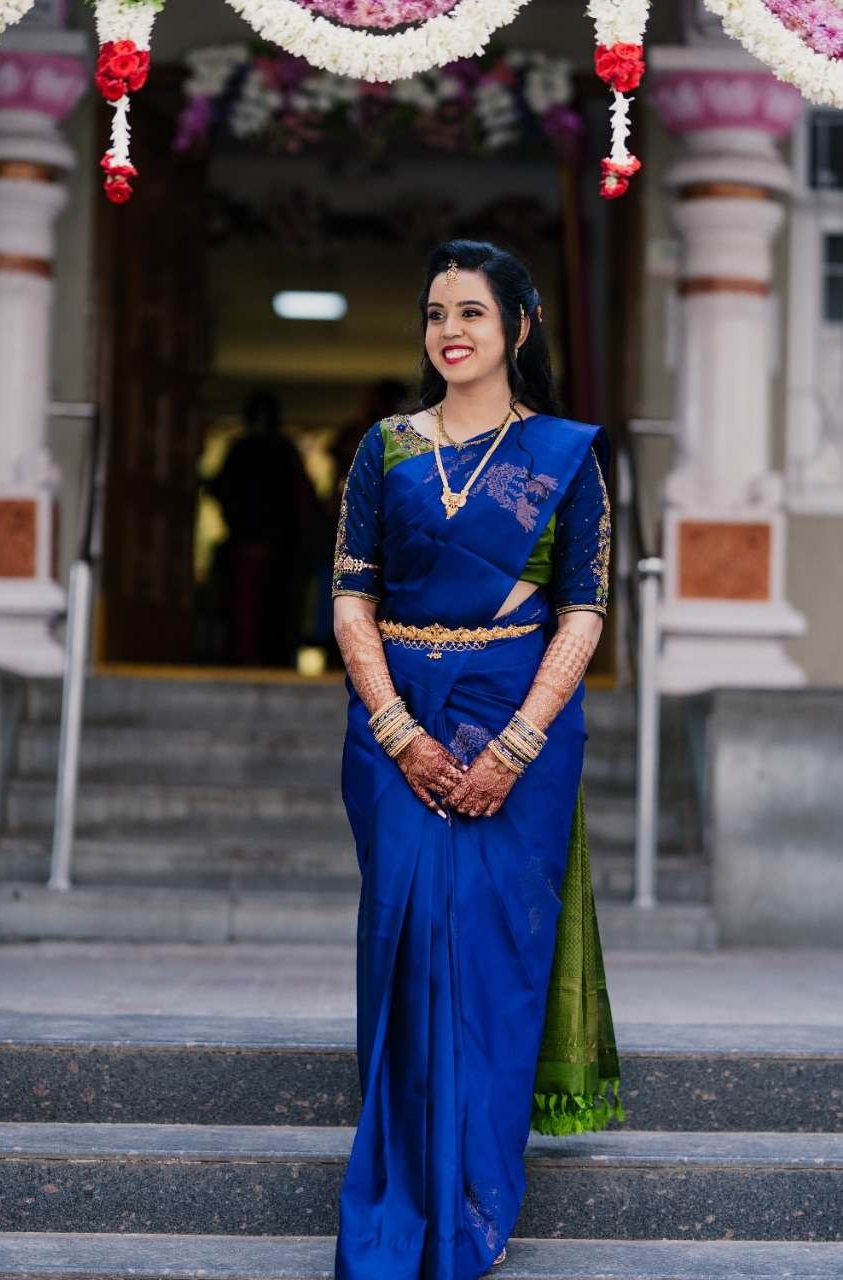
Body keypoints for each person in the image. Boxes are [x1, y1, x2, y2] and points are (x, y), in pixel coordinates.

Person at [330, 240, 618, 1280]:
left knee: (491, 956)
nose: (449, 331)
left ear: (519, 327)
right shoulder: (386, 449)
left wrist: (518, 742)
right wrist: (397, 729)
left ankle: (475, 1203)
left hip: (516, 717)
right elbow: (351, 597)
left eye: (471, 313)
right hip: (395, 719)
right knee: (404, 942)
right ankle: (398, 1200)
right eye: (435, 313)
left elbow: (583, 611)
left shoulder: (564, 456)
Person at [207, 391, 323, 666]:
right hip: (269, 546)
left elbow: (222, 490)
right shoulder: (279, 451)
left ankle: (252, 660)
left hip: (259, 545)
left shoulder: (245, 450)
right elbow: (304, 500)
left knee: (252, 612)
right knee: (270, 611)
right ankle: (266, 659)